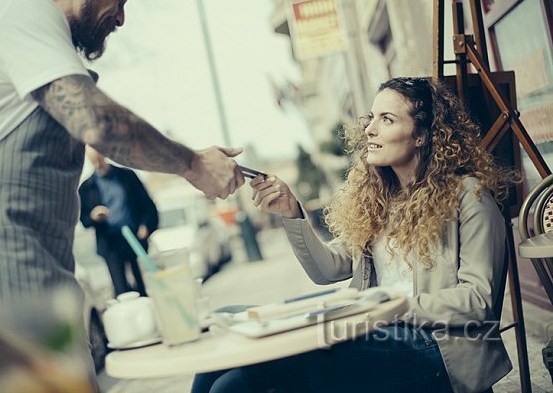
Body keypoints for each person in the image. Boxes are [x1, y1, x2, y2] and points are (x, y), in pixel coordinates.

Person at [0, 0, 244, 380]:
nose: (121, 18)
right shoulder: (25, 12)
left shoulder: (37, 36)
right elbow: (96, 120)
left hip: (16, 259)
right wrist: (193, 164)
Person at [193, 77, 515, 393]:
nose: (370, 129)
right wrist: (292, 211)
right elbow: (327, 270)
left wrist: (386, 306)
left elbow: (478, 301)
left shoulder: (468, 197)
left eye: (386, 119)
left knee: (240, 382)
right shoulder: (380, 199)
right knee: (218, 359)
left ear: (421, 134)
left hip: (436, 347)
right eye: (371, 118)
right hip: (373, 331)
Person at [79, 146, 158, 296]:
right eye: (92, 162)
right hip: (110, 244)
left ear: (105, 155)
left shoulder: (127, 176)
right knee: (122, 290)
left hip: (135, 238)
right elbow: (83, 219)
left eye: (99, 160)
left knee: (145, 286)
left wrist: (146, 226)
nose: (97, 165)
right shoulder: (86, 187)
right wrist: (93, 216)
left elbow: (147, 204)